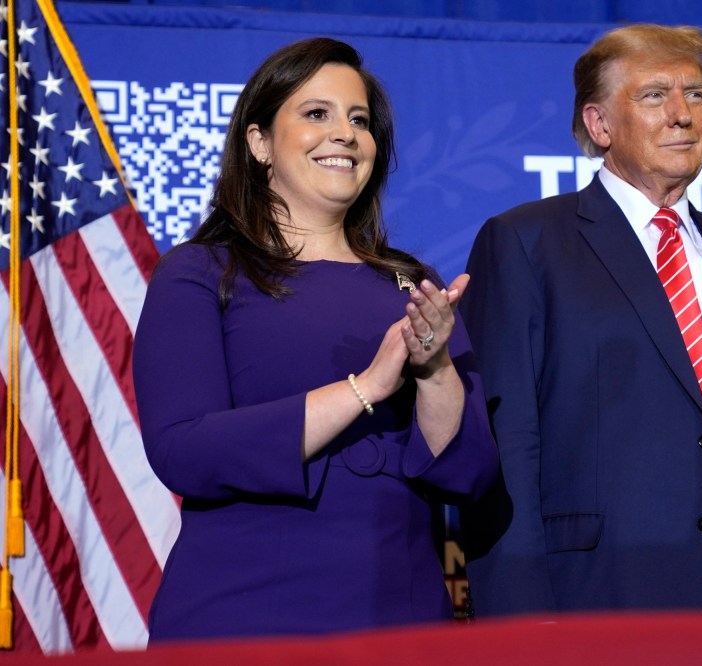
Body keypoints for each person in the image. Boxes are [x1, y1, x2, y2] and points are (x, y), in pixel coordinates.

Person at [460, 24, 702, 613]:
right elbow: (507, 443)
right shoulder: (526, 244)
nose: (682, 114)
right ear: (599, 125)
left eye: (695, 95)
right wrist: (517, 617)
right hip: (610, 583)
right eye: (654, 95)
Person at [132, 37, 499, 642]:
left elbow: (471, 473)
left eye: (359, 120)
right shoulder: (200, 272)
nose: (345, 133)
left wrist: (435, 370)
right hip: (243, 618)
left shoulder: (415, 282)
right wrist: (368, 387)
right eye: (316, 114)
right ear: (258, 143)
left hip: (401, 620)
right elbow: (183, 450)